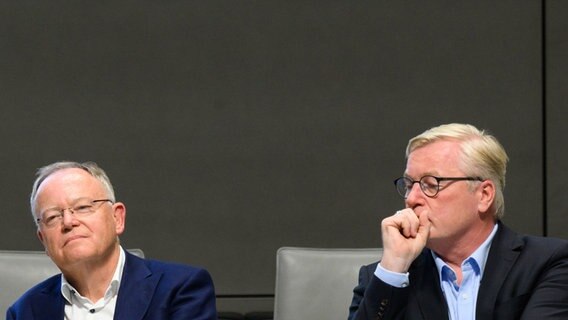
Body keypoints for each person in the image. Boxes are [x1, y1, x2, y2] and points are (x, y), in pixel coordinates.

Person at [348, 123, 568, 320]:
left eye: (431, 184)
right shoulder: (385, 278)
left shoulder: (548, 264)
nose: (412, 198)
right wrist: (394, 268)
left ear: (483, 195)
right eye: (408, 185)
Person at [7, 161, 217, 320]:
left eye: (82, 207)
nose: (69, 222)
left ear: (117, 218)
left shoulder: (181, 289)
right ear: (43, 240)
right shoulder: (25, 312)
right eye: (53, 217)